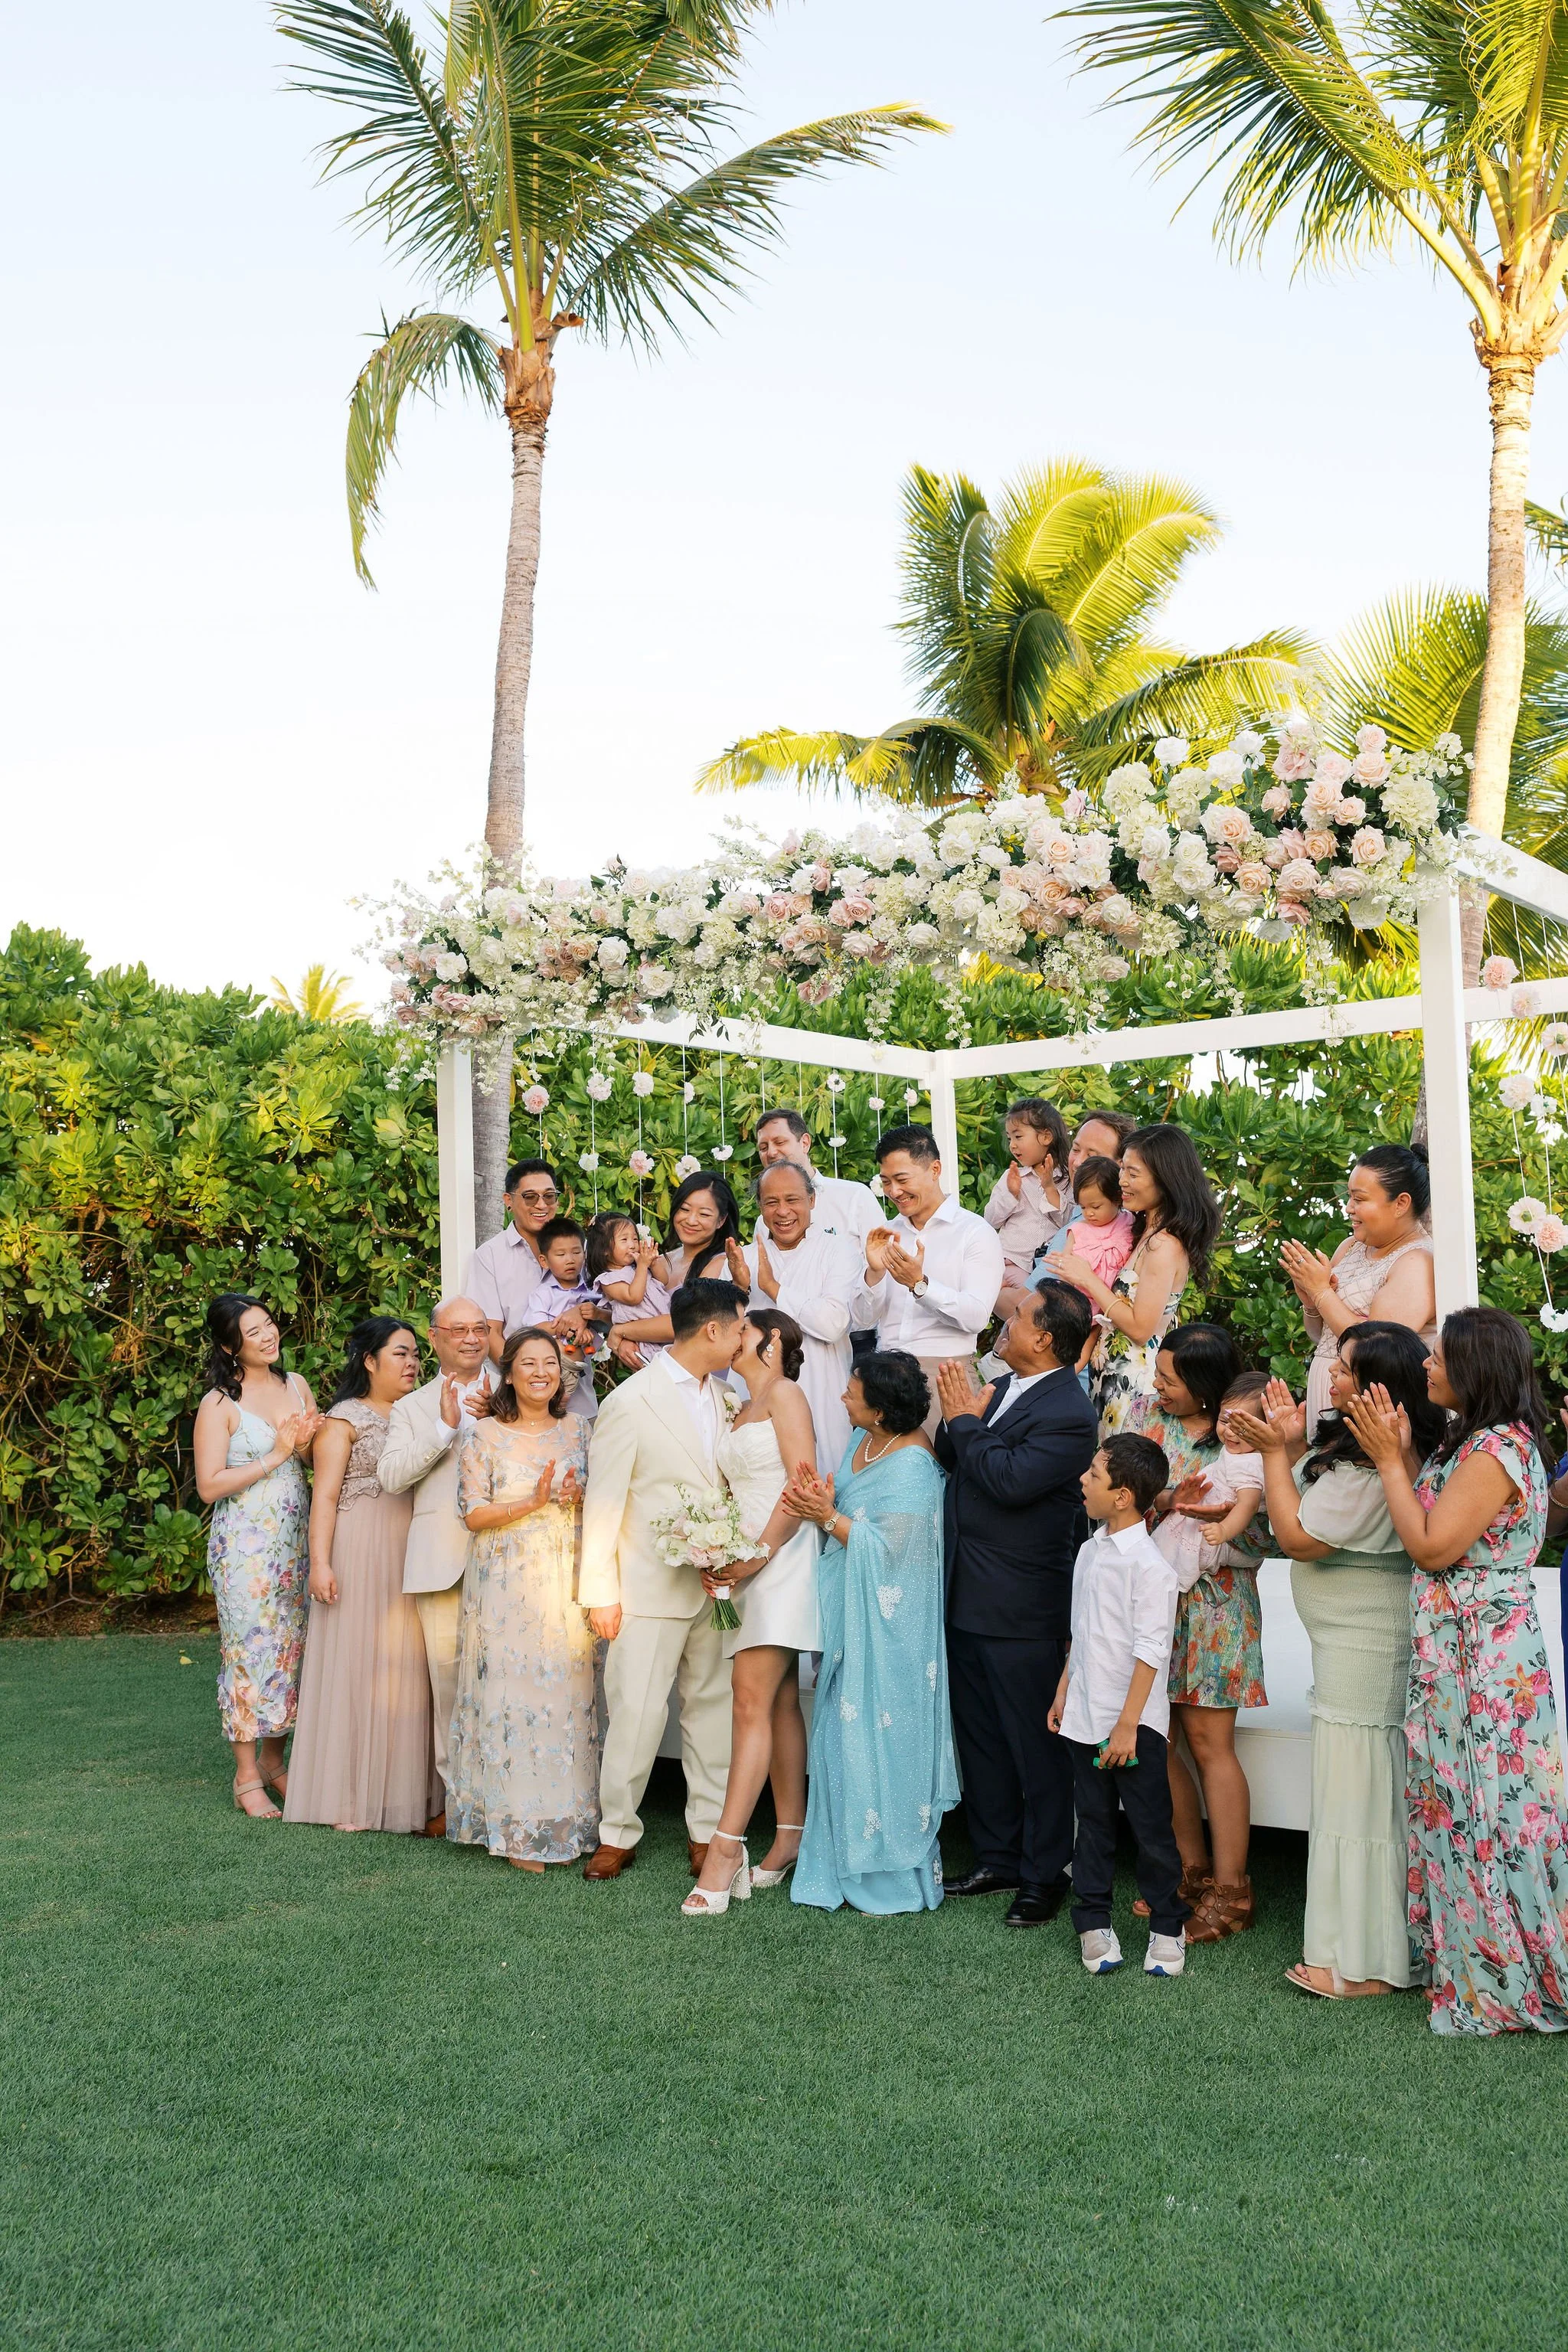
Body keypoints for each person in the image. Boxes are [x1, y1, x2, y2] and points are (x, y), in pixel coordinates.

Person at [1344, 1307, 1568, 2036]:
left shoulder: (1493, 1452)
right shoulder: (1471, 1443)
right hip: (1465, 1655)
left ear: (1476, 1367)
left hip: (1483, 1665)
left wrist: (1386, 1463)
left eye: (1440, 1357)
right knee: (1466, 1805)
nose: (1427, 1366)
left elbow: (1432, 1547)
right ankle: (1477, 1964)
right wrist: (1406, 1454)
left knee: (1490, 1808)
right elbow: (1432, 1512)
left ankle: (1509, 1978)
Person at [1233, 1325, 1445, 1999]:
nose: (1333, 1375)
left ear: (1383, 1385)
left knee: (1357, 1799)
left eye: (1348, 1370)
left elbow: (1296, 1536)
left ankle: (1364, 1961)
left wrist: (1272, 1453)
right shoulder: (1355, 1454)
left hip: (1366, 1649)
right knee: (1357, 1795)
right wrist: (1292, 1443)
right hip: (1348, 1645)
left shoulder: (1372, 1467)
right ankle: (1364, 1950)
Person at [933, 1284, 1099, 1926]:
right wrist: (963, 1421)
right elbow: (958, 1458)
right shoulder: (1000, 1388)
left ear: (1045, 1339)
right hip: (966, 1590)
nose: (1007, 1321)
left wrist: (966, 1423)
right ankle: (998, 1855)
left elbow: (1006, 1482)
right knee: (980, 1736)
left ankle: (1044, 1871)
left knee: (1036, 1744)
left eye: (1020, 1316)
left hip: (1023, 1602)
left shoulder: (1070, 1413)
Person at [578, 1278, 749, 1878]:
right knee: (637, 1713)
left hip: (717, 1586)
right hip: (648, 1587)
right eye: (738, 1329)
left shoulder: (731, 1398)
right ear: (713, 1329)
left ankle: (707, 1831)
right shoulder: (630, 1401)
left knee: (712, 1708)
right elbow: (603, 1503)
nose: (742, 1340)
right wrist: (599, 1592)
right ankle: (618, 1830)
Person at [782, 1354, 959, 1915]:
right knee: (836, 1734)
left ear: (881, 1411)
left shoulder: (913, 1467)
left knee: (883, 1739)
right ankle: (837, 1860)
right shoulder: (863, 1442)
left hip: (894, 1635)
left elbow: (897, 1559)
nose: (842, 1399)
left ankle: (890, 1877)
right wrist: (825, 1505)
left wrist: (825, 1516)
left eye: (852, 1393)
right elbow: (852, 1519)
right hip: (849, 1622)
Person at [684, 1308, 822, 1916]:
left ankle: (724, 1850)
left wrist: (757, 1556)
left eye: (742, 1329)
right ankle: (790, 1835)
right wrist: (719, 1548)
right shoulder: (738, 1403)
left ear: (768, 1341)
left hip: (781, 1557)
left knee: (749, 1698)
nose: (731, 1335)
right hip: (745, 1560)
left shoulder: (787, 1396)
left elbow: (804, 1486)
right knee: (780, 1698)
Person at [447, 1329, 597, 1870]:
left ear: (562, 1372)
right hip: (505, 1580)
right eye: (528, 1363)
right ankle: (513, 1825)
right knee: (512, 1695)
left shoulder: (581, 1429)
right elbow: (472, 1513)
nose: (541, 1372)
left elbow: (597, 1499)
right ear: (508, 1373)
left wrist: (577, 1498)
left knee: (565, 1692)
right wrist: (531, 1502)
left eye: (550, 1363)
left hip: (565, 1574)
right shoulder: (484, 1435)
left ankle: (567, 1817)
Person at [286, 1317, 440, 1835]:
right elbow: (325, 1496)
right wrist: (321, 1563)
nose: (412, 1363)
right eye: (400, 1353)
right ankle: (351, 1796)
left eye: (416, 1353)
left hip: (412, 1547)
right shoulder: (344, 1419)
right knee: (358, 1666)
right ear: (369, 1361)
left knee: (408, 1670)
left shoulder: (422, 1411)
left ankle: (410, 1796)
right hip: (359, 1547)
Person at [1135, 1323, 1264, 1942]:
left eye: (1171, 1380)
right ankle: (1189, 1870)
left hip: (1217, 1610)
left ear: (1208, 1387)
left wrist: (1217, 1527)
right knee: (1156, 1740)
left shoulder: (1246, 1439)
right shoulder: (1150, 1426)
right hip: (1155, 1605)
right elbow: (1122, 1500)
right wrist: (1164, 1502)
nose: (1158, 1387)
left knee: (1211, 1746)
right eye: (1158, 1376)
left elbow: (1266, 1534)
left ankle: (1232, 1890)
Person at [1049, 1433, 1188, 1977]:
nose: (1083, 1481)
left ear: (1124, 1495)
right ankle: (1093, 1923)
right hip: (1084, 1718)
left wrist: (1127, 1726)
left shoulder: (1151, 1568)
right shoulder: (1089, 1550)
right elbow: (1082, 1634)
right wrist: (1064, 1692)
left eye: (1093, 1475)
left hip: (1133, 1728)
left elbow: (1151, 1649)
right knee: (1094, 1824)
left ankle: (1167, 1929)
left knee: (1152, 1831)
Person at [193, 1295, 321, 1818]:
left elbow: (310, 1458)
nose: (268, 1336)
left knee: (294, 1651)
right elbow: (209, 1485)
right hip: (245, 1548)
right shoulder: (219, 1405)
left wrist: (307, 1445)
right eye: (253, 1331)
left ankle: (275, 1760)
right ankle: (246, 1775)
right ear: (230, 1345)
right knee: (250, 1651)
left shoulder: (297, 1386)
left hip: (296, 1543)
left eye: (269, 1324)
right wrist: (276, 1454)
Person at [377, 1295, 496, 1831]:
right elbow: (392, 1476)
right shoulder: (410, 1408)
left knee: (507, 1679)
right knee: (448, 1684)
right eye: (459, 1330)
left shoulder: (517, 1387)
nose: (471, 1338)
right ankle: (461, 1806)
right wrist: (444, 1429)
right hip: (441, 1560)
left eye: (480, 1328)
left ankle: (511, 1796)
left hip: (511, 1557)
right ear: (435, 1337)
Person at [1054, 1123, 1221, 1436]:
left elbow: (1141, 1328)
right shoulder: (1145, 1231)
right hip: (1113, 1379)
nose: (1122, 1182)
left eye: (1133, 1173)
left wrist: (1088, 1280)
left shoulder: (1164, 1245)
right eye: (1122, 1171)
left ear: (1165, 1178)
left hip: (1133, 1386)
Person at [854, 1123, 1006, 1436]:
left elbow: (977, 1317)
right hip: (882, 1372)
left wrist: (920, 1285)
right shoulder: (887, 1232)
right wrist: (874, 1273)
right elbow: (862, 1320)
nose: (894, 1191)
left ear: (935, 1169)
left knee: (939, 1474)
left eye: (902, 1179)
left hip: (943, 1373)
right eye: (885, 1181)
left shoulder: (975, 1233)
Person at [724, 1161, 871, 1472]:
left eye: (792, 1200)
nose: (782, 1211)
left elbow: (833, 1324)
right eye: (771, 1202)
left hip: (822, 1393)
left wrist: (774, 1289)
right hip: (753, 1401)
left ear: (812, 1201)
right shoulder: (744, 1259)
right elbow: (725, 1337)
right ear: (761, 1208)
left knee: (821, 1481)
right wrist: (739, 1288)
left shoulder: (840, 1251)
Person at [1283, 1143, 1436, 1437]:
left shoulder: (1419, 1261)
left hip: (1371, 1410)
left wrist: (1321, 1293)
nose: (1349, 1208)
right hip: (1329, 1391)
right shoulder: (1351, 1246)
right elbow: (1322, 1336)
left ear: (1400, 1203)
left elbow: (1377, 1350)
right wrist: (1310, 1302)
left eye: (1359, 1199)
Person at [604, 1171, 743, 1356]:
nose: (691, 1220)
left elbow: (689, 1322)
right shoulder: (658, 1260)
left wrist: (621, 1331)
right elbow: (626, 1307)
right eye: (684, 1209)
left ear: (721, 1220)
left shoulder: (720, 1263)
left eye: (704, 1214)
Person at [1155, 1370, 1266, 1595]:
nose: (1230, 1432)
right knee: (1165, 1544)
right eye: (1225, 1420)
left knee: (1169, 1561)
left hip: (1224, 1536)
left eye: (1243, 1427)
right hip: (1217, 1528)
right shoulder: (1241, 1451)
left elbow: (1248, 1505)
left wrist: (1224, 1530)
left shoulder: (1251, 1465)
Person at [464, 1158, 562, 1364]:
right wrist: (525, 1377)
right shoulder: (490, 1256)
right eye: (530, 1197)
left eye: (549, 1196)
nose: (541, 1204)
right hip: (516, 1387)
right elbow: (490, 1333)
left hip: (577, 1388)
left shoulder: (581, 1250)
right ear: (509, 1200)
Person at [753, 1104, 882, 1249]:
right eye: (763, 1148)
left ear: (805, 1143)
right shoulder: (765, 1222)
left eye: (780, 1142)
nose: (771, 1153)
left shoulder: (855, 1197)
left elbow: (882, 1263)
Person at [983, 1097, 1074, 1287]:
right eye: (1010, 1138)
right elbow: (990, 1220)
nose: (1012, 1145)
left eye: (1018, 1137)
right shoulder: (1013, 1177)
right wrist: (1011, 1194)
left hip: (1044, 1269)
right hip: (1010, 1262)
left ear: (1046, 1137)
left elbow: (1069, 1224)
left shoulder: (1067, 1179)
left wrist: (1050, 1188)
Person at [519, 1216, 600, 1416]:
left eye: (576, 1252)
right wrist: (570, 1325)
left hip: (581, 1391)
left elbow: (605, 1326)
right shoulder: (543, 1294)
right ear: (544, 1260)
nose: (570, 1260)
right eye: (561, 1254)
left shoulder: (592, 1292)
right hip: (552, 1371)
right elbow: (535, 1328)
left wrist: (587, 1332)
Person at [587, 1211, 671, 1366]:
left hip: (662, 1328)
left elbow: (663, 1281)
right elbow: (634, 1297)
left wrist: (653, 1264)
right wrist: (643, 1266)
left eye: (634, 1238)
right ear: (604, 1250)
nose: (632, 1244)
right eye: (624, 1240)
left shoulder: (636, 1268)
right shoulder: (608, 1279)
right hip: (643, 1339)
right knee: (660, 1373)